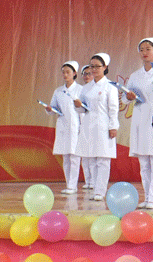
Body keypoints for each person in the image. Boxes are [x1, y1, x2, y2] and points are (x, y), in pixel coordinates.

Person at [121, 38, 153, 209]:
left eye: (148, 49)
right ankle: (147, 197)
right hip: (140, 120)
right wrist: (128, 97)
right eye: (141, 49)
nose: (144, 52)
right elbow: (124, 98)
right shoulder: (135, 75)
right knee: (144, 163)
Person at [75, 53, 119, 202]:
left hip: (103, 126)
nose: (93, 69)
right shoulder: (86, 88)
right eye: (91, 66)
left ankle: (100, 191)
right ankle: (94, 188)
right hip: (88, 125)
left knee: (103, 160)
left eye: (97, 66)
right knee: (91, 159)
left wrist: (113, 126)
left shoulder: (110, 87)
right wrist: (78, 106)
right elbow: (82, 109)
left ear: (105, 67)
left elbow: (113, 109)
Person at [44, 61, 83, 194]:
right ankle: (69, 185)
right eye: (63, 72)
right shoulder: (58, 91)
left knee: (75, 157)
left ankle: (73, 186)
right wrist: (49, 109)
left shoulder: (80, 90)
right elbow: (53, 107)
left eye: (68, 72)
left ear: (74, 73)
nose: (65, 75)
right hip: (62, 126)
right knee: (66, 157)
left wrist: (82, 127)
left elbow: (84, 110)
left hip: (76, 126)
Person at [79, 64, 95, 190]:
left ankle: (94, 181)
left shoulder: (96, 89)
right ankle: (88, 181)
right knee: (84, 156)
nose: (87, 76)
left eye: (89, 73)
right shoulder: (81, 90)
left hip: (94, 125)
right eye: (84, 74)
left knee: (94, 156)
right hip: (82, 125)